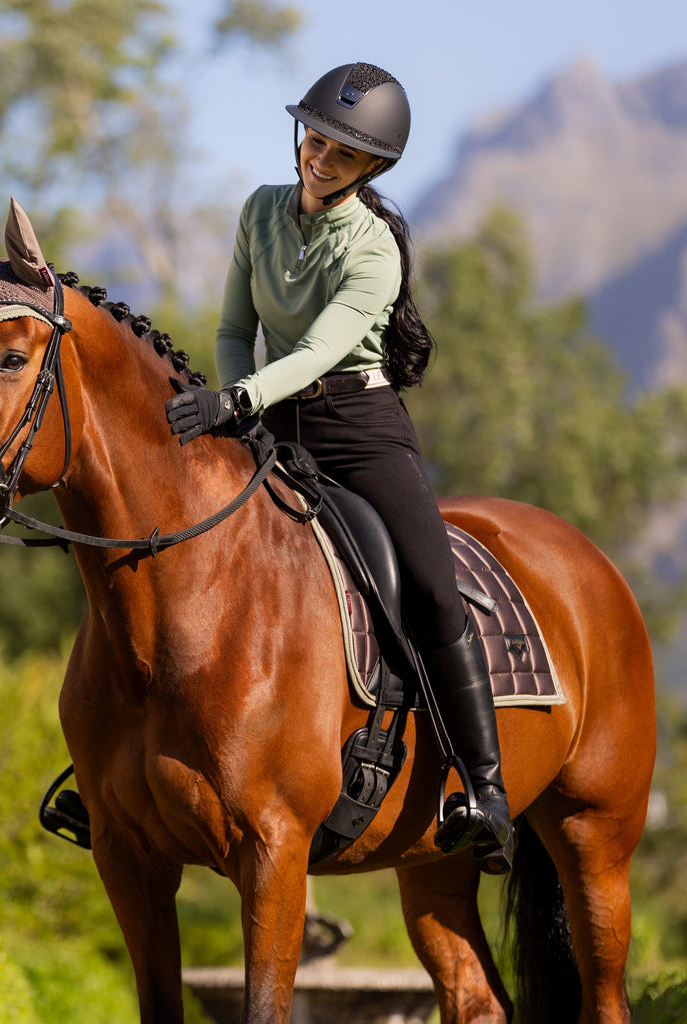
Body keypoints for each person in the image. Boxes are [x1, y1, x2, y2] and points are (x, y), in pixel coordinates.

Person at [165, 62, 513, 875]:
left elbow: (322, 349)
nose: (320, 158)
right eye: (315, 140)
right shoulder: (259, 209)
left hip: (359, 428)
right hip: (270, 419)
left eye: (343, 153)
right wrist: (239, 406)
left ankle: (485, 790)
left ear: (371, 167)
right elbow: (233, 328)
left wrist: (237, 398)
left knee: (431, 586)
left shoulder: (375, 247)